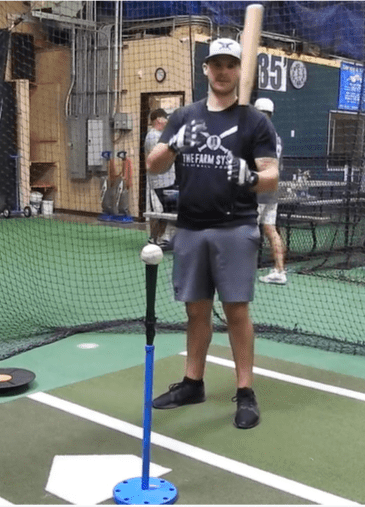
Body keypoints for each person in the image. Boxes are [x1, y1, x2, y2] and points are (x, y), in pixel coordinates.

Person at [145, 38, 279, 429]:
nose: (223, 71)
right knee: (195, 310)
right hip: (190, 227)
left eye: (230, 65)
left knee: (237, 310)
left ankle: (245, 391)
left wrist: (250, 177)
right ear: (206, 69)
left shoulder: (255, 121)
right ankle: (193, 383)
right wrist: (174, 144)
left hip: (235, 227)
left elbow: (272, 177)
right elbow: (154, 165)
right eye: (216, 64)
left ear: (239, 71)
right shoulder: (185, 115)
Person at [253, 98, 287, 285]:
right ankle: (279, 271)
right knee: (270, 228)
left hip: (259, 188)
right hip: (273, 187)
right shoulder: (276, 136)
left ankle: (239, 270)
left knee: (246, 228)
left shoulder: (258, 134)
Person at [144, 108, 177, 250]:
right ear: (158, 120)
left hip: (168, 181)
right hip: (159, 182)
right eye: (165, 119)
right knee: (162, 211)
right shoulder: (153, 136)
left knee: (169, 210)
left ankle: (163, 238)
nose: (167, 122)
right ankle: (155, 238)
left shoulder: (161, 135)